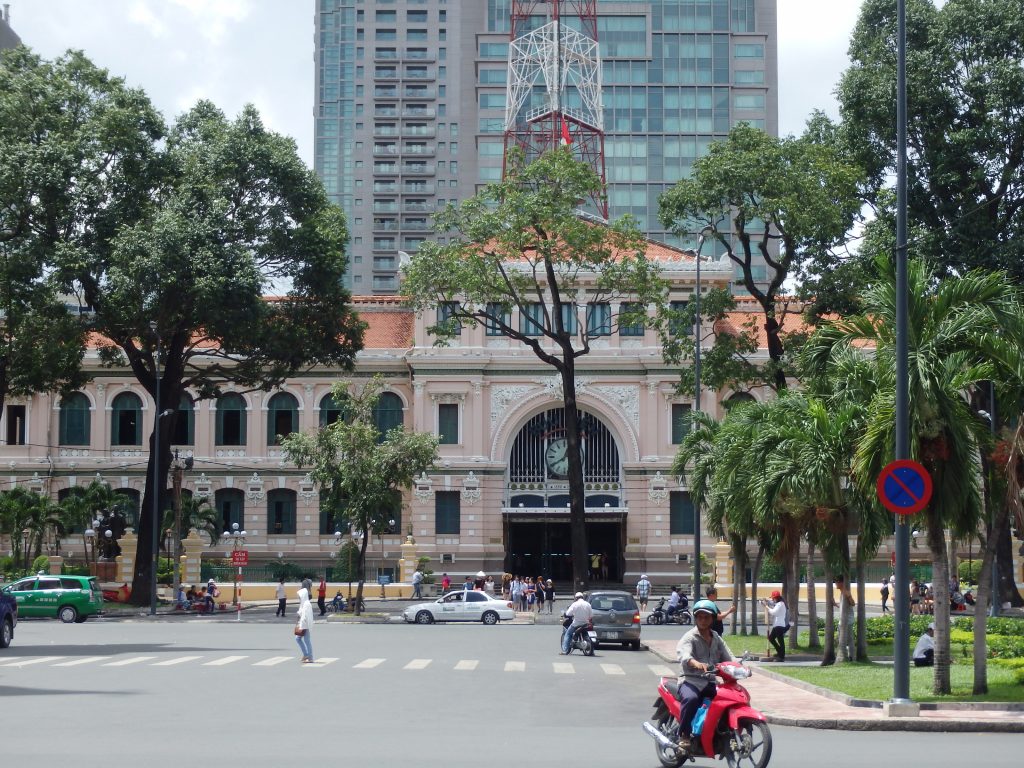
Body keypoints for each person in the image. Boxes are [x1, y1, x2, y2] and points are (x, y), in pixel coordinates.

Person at [675, 600, 735, 751]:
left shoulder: (716, 637)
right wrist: (695, 663)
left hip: (710, 681)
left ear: (713, 619)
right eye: (699, 617)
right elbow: (684, 655)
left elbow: (729, 657)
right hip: (690, 681)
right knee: (691, 699)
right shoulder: (689, 637)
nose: (702, 620)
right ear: (695, 618)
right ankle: (684, 735)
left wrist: (740, 666)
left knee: (728, 699)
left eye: (706, 617)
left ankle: (728, 734)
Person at [763, 590, 788, 661]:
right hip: (777, 625)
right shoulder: (779, 603)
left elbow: (773, 612)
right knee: (771, 638)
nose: (772, 599)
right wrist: (766, 601)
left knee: (780, 641)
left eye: (773, 598)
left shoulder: (780, 604)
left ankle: (781, 656)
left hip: (779, 626)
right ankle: (780, 652)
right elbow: (772, 603)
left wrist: (766, 606)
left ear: (776, 598)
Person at [294, 587, 315, 663]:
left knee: (306, 640)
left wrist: (302, 626)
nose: (299, 597)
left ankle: (310, 657)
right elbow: (300, 612)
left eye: (300, 596)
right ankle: (306, 655)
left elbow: (307, 616)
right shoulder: (303, 603)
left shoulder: (307, 604)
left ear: (303, 595)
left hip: (305, 625)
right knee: (298, 639)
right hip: (302, 625)